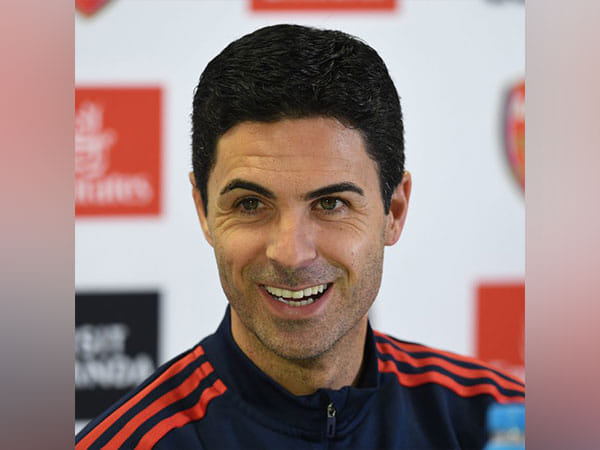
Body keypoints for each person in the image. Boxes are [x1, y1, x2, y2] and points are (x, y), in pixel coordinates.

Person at [76, 24, 524, 449]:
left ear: (394, 210)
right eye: (250, 204)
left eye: (331, 204)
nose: (291, 253)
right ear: (204, 210)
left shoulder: (507, 425)